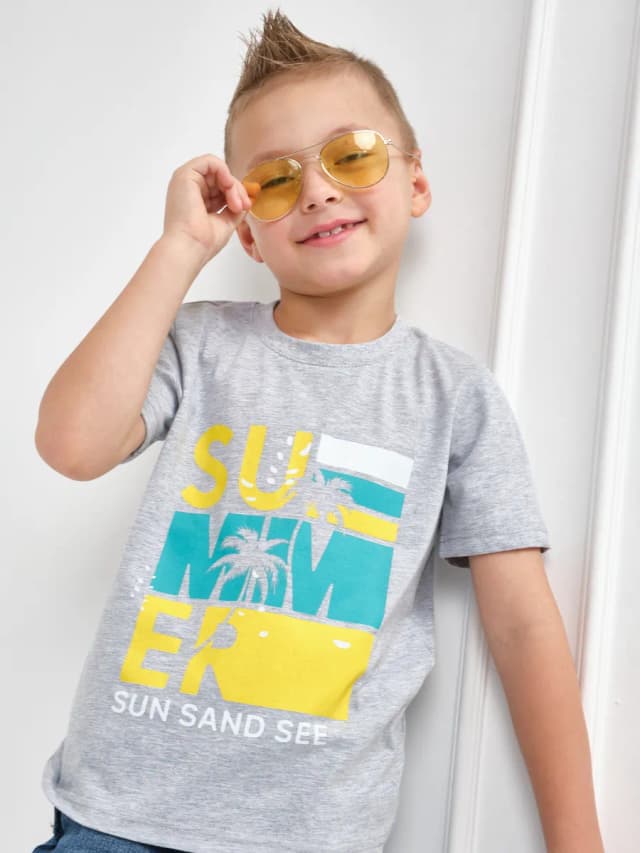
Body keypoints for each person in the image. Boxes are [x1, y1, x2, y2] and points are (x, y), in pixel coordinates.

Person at [32, 9, 604, 853]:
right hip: (116, 818)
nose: (317, 189)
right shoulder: (201, 343)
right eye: (273, 179)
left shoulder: (453, 395)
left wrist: (578, 839)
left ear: (415, 182)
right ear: (248, 232)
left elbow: (522, 625)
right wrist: (179, 247)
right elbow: (71, 445)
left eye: (353, 154)